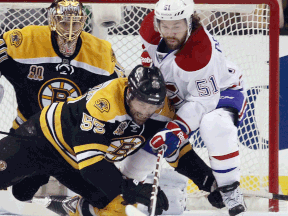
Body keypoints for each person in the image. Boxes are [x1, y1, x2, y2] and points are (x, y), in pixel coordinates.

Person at [0, 65, 173, 216]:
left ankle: (72, 207)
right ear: (129, 93)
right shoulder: (105, 101)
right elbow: (92, 166)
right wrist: (131, 189)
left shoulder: (162, 111)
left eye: (152, 105)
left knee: (121, 208)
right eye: (141, 102)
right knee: (21, 193)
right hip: (42, 140)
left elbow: (92, 165)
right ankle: (28, 181)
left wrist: (201, 180)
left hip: (76, 160)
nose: (146, 109)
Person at [138, 0, 247, 215]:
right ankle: (210, 183)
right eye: (165, 26)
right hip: (178, 92)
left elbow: (203, 101)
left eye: (177, 26)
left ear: (189, 22)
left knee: (214, 124)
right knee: (155, 140)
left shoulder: (199, 53)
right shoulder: (150, 29)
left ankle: (229, 188)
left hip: (221, 89)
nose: (170, 32)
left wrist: (177, 128)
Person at [0, 0, 125, 131]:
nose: (69, 31)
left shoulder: (101, 53)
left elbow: (121, 92)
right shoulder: (26, 41)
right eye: (64, 23)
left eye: (75, 23)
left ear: (83, 21)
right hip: (28, 131)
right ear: (52, 21)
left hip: (75, 139)